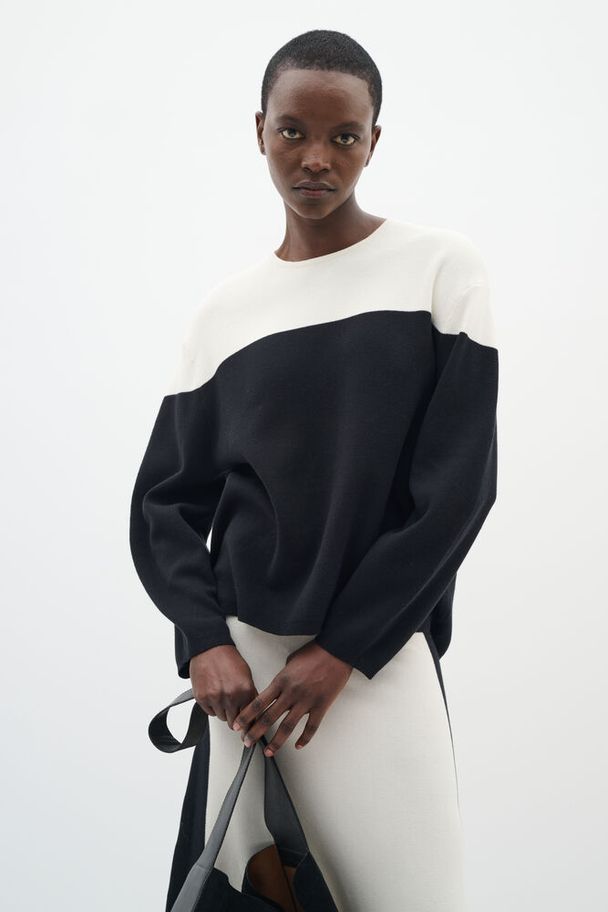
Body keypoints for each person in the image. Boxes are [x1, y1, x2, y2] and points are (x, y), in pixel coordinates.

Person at [129, 28, 498, 912]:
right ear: (260, 130)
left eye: (344, 136)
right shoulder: (224, 315)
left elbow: (456, 494)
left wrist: (340, 653)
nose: (316, 158)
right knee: (251, 895)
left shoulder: (439, 270)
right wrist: (205, 641)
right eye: (293, 131)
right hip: (246, 673)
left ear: (375, 141)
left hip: (373, 660)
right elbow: (163, 504)